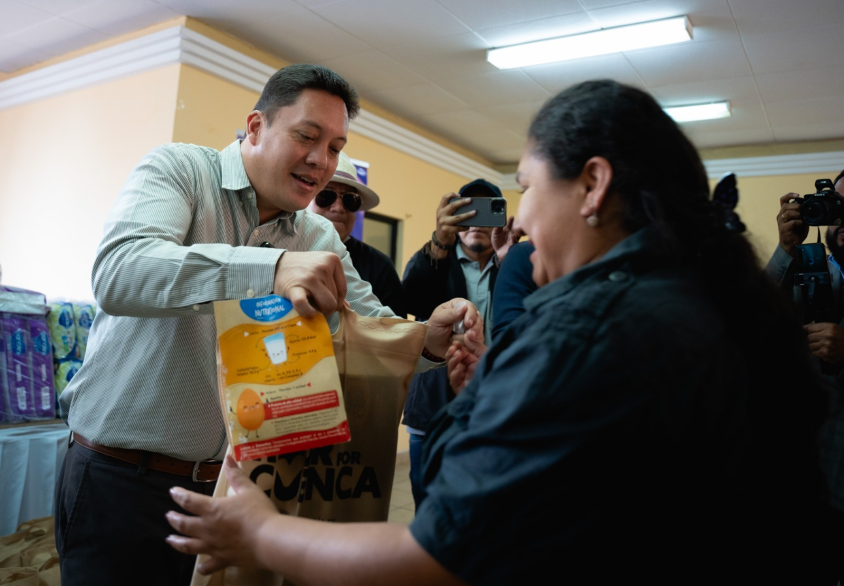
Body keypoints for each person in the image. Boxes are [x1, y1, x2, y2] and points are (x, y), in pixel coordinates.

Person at [165, 80, 834, 584]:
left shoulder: (589, 328)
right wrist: (493, 384)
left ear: (593, 186)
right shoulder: (719, 300)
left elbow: (438, 556)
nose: (521, 224)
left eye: (528, 189)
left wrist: (263, 534)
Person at [54, 63, 480, 586]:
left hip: (242, 491)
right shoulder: (182, 171)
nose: (321, 161)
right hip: (120, 479)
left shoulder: (317, 235)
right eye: (307, 136)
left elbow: (372, 325)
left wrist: (429, 340)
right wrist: (270, 268)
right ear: (255, 127)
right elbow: (121, 273)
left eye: (336, 147)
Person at [400, 179, 515, 506]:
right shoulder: (434, 259)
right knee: (428, 502)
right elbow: (409, 300)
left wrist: (510, 259)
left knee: (492, 506)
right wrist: (439, 243)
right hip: (433, 408)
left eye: (487, 211)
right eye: (467, 211)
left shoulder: (514, 264)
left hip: (499, 406)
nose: (476, 221)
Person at [766, 171, 844, 582]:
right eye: (838, 207)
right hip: (805, 478)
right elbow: (751, 325)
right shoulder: (811, 269)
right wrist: (785, 250)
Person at [306, 151, 405, 317]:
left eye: (350, 200)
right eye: (326, 195)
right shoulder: (285, 241)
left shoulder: (380, 266)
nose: (338, 207)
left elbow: (392, 329)